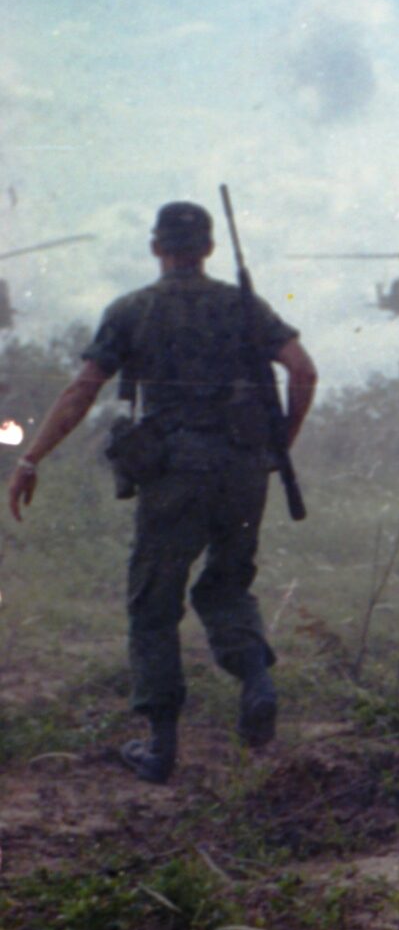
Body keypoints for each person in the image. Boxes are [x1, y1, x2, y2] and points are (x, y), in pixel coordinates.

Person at [6, 201, 316, 784]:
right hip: (242, 473)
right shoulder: (242, 306)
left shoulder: (131, 311)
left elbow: (81, 390)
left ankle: (161, 746)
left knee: (153, 606)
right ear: (208, 250)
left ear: (156, 248)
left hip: (173, 475)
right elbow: (302, 369)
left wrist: (31, 456)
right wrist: (280, 446)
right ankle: (257, 683)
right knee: (227, 586)